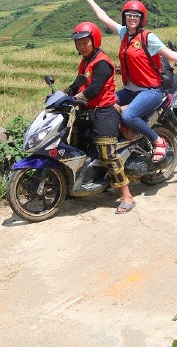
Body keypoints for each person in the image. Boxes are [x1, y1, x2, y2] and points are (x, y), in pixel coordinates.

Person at [81, 0, 177, 164]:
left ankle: (158, 141)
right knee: (104, 104)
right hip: (130, 89)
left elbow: (171, 54)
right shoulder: (123, 34)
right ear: (124, 17)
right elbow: (103, 18)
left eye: (136, 15)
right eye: (129, 15)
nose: (132, 18)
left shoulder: (148, 37)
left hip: (151, 90)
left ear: (142, 18)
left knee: (128, 116)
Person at [64, 22, 135, 213]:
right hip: (86, 112)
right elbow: (76, 85)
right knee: (75, 149)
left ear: (94, 40)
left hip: (104, 112)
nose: (81, 46)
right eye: (78, 43)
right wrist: (61, 96)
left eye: (84, 42)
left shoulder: (102, 62)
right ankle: (80, 185)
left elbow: (93, 89)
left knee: (107, 153)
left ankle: (127, 195)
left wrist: (73, 99)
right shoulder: (85, 62)